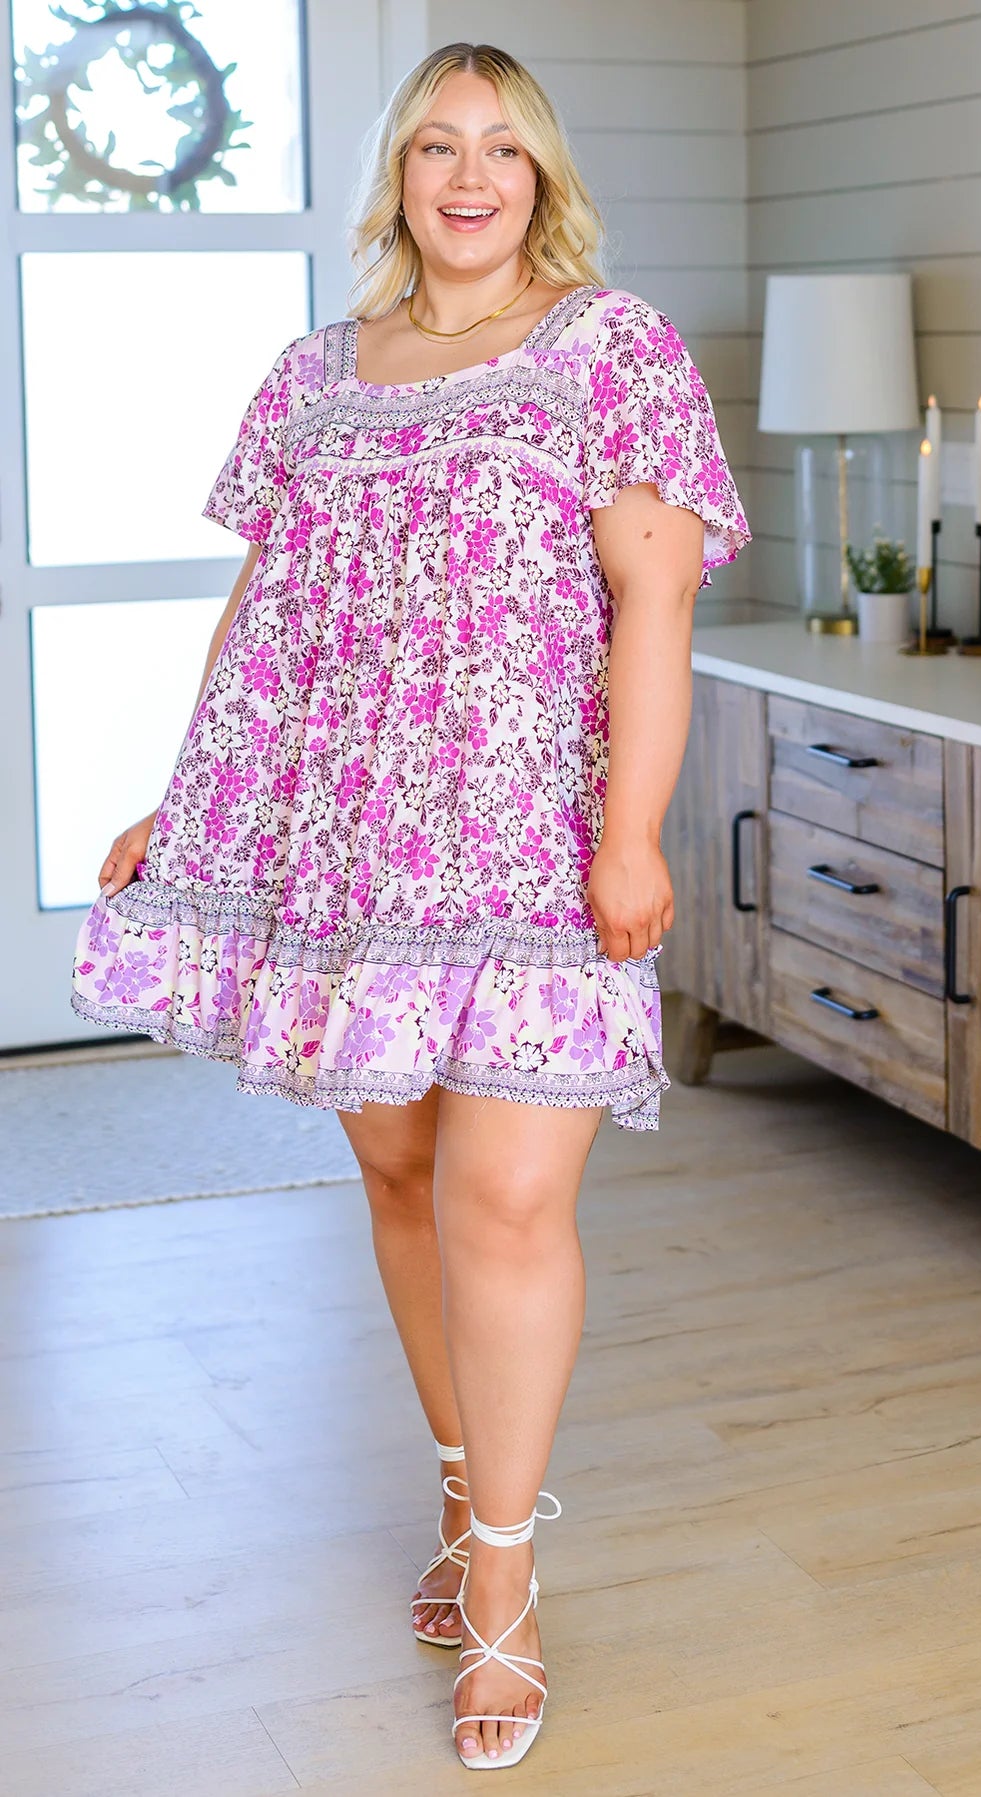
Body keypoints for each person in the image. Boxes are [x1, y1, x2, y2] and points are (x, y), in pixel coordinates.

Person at [71, 40, 750, 1770]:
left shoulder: (611, 348)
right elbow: (267, 612)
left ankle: (504, 1577)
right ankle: (465, 1482)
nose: (469, 176)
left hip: (530, 849)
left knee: (507, 1197)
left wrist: (633, 832)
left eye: (502, 149)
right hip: (349, 850)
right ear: (398, 175)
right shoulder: (311, 374)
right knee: (400, 1174)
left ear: (542, 178)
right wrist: (183, 795)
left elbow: (657, 603)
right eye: (438, 145)